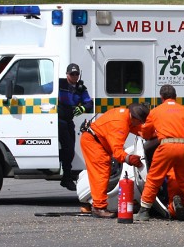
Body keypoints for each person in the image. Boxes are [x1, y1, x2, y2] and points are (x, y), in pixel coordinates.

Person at [134, 85, 184, 223]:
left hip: (166, 146)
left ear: (161, 98)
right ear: (175, 97)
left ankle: (144, 211)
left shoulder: (156, 111)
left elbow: (146, 133)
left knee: (154, 178)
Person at [80, 102, 151, 218]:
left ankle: (98, 205)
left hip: (95, 140)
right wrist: (130, 158)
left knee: (102, 172)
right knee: (101, 173)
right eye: (141, 121)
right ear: (136, 118)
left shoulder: (127, 116)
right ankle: (99, 207)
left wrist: (152, 135)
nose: (141, 123)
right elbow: (117, 153)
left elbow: (139, 129)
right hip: (93, 142)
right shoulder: (120, 124)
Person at [57, 63, 93, 191]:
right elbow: (45, 91)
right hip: (58, 120)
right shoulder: (59, 84)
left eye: (76, 74)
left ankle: (66, 177)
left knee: (71, 148)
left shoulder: (81, 88)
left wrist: (83, 107)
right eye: (72, 74)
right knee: (67, 148)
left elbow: (89, 102)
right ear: (67, 74)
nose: (74, 76)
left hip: (68, 120)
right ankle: (66, 177)